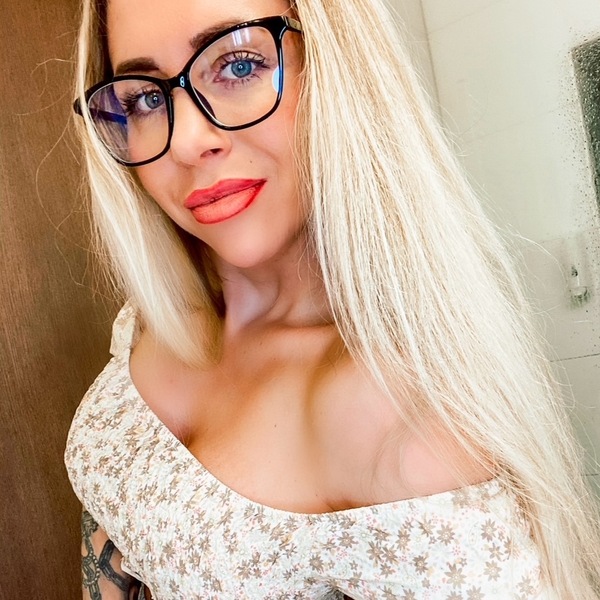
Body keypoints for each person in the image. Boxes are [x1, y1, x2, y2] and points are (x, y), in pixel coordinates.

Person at [64, 0, 600, 597]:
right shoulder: (149, 320)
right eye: (144, 98)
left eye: (239, 65)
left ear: (338, 67)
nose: (186, 141)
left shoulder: (403, 422)